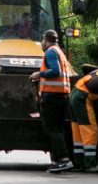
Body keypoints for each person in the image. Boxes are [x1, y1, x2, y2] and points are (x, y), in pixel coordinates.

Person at [28, 30, 75, 173]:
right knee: (58, 129)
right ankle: (58, 161)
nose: (42, 43)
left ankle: (63, 159)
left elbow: (55, 71)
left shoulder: (50, 52)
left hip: (53, 97)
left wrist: (39, 73)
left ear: (45, 40)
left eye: (42, 40)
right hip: (62, 96)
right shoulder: (59, 51)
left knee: (51, 129)